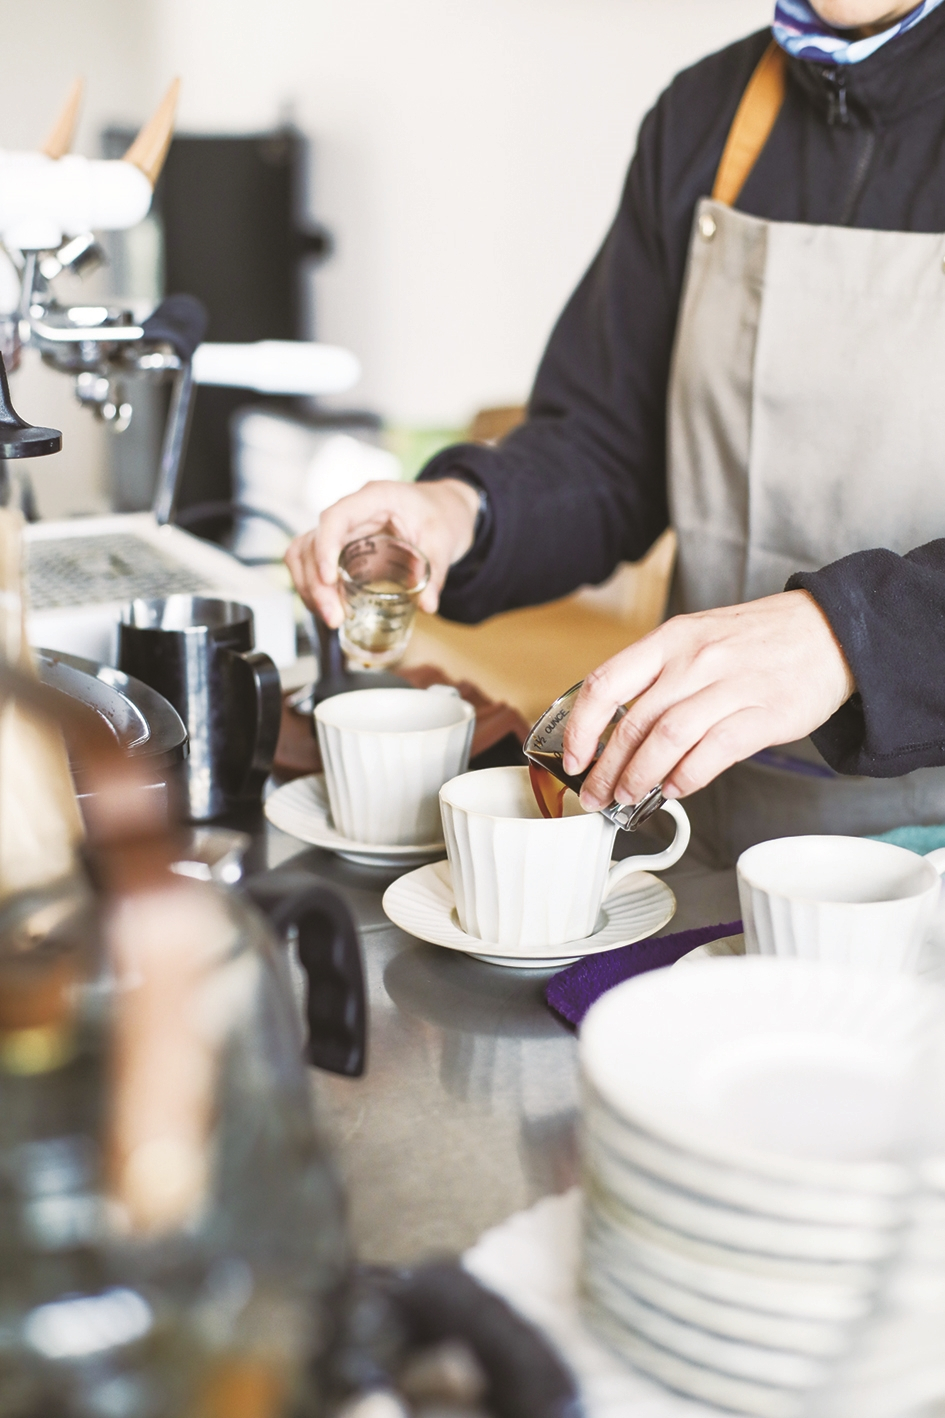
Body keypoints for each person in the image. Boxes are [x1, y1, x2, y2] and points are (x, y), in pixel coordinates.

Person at [288, 0, 945, 865]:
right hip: (716, 826)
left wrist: (848, 636)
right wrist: (461, 508)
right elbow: (608, 447)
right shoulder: (708, 115)